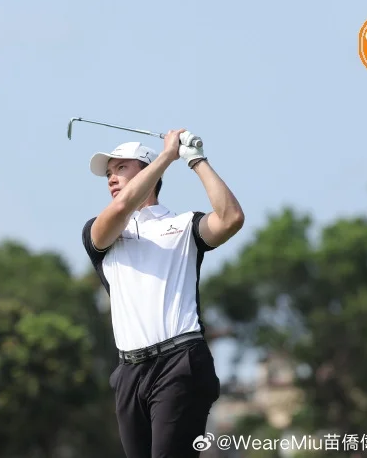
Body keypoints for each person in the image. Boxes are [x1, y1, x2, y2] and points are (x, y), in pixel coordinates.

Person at [81, 128, 245, 458]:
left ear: (149, 172)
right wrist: (168, 156)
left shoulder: (185, 226)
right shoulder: (101, 231)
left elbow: (231, 219)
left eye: (121, 167)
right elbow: (121, 208)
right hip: (129, 372)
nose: (112, 178)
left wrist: (196, 160)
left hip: (180, 362)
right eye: (109, 172)